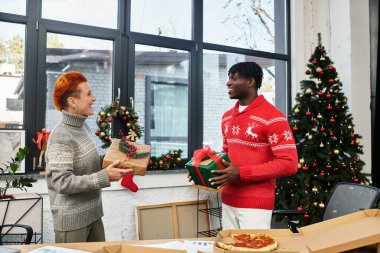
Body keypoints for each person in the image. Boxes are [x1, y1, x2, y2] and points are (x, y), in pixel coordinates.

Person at [191, 62, 298, 230]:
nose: (228, 82)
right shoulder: (227, 117)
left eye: (234, 78)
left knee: (253, 248)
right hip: (228, 200)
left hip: (255, 205)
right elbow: (226, 156)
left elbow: (289, 163)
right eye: (228, 78)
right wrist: (201, 171)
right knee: (229, 248)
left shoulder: (273, 117)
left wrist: (242, 173)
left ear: (251, 82)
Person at [45, 71, 133, 243]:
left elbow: (86, 163)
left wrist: (113, 161)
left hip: (93, 214)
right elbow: (62, 183)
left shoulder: (82, 128)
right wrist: (104, 176)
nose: (93, 98)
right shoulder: (61, 135)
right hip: (73, 222)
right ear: (72, 102)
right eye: (89, 94)